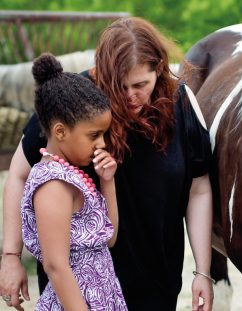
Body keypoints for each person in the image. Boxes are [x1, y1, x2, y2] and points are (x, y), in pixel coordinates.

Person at [0, 17, 214, 311]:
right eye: (119, 86)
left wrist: (203, 271)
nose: (129, 96)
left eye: (141, 84)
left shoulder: (183, 102)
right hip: (76, 291)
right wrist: (11, 257)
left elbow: (199, 189)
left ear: (160, 70)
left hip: (157, 280)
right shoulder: (75, 103)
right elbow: (18, 175)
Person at [22, 53, 126, 310]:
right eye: (94, 135)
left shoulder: (73, 175)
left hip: (101, 296)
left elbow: (109, 238)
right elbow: (55, 264)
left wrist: (107, 183)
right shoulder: (52, 184)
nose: (101, 143)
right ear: (60, 131)